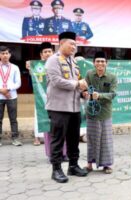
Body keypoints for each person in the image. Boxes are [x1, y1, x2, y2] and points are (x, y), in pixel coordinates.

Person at [45, 32, 88, 183]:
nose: (74, 47)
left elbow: (77, 81)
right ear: (61, 43)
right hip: (59, 107)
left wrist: (83, 91)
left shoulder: (73, 61)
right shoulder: (52, 60)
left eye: (75, 45)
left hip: (74, 107)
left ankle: (73, 166)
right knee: (57, 139)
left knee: (73, 138)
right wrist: (77, 84)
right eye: (72, 44)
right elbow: (57, 81)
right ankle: (56, 170)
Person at [83, 51, 117, 174]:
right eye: (98, 61)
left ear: (106, 63)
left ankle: (107, 165)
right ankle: (89, 164)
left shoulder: (112, 77)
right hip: (91, 112)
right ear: (94, 63)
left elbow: (113, 94)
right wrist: (84, 93)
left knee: (105, 140)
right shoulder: (89, 74)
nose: (100, 63)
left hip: (105, 113)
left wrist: (99, 95)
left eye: (102, 61)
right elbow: (84, 89)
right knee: (91, 138)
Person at [0, 46, 22, 146]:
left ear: (10, 55)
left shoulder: (15, 67)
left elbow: (18, 83)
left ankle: (15, 138)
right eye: (2, 53)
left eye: (6, 53)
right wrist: (2, 90)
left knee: (13, 119)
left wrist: (7, 89)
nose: (5, 55)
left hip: (11, 96)